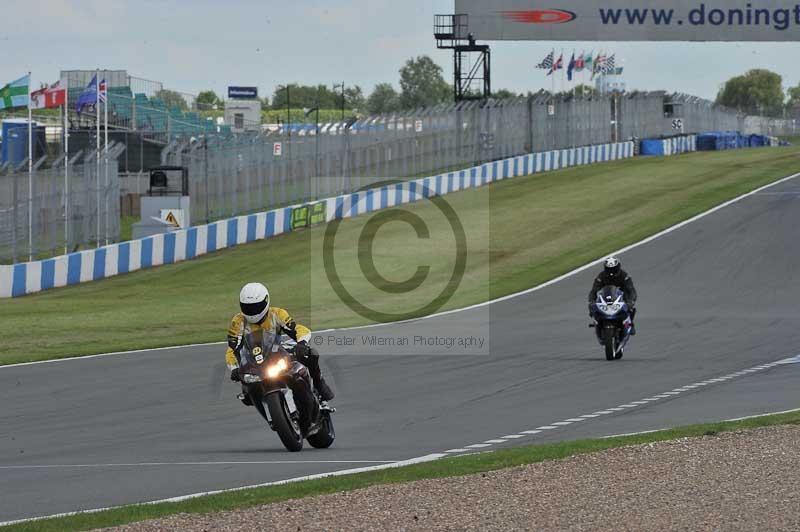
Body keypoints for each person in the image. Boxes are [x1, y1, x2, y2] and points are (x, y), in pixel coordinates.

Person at [226, 282, 335, 405]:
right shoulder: (238, 321)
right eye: (248, 307)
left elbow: (297, 329)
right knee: (247, 397)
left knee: (310, 354)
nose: (252, 311)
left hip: (277, 351)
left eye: (256, 306)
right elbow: (232, 348)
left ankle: (319, 382)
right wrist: (235, 368)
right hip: (254, 359)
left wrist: (302, 343)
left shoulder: (277, 314)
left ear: (266, 301)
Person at [588, 257, 638, 335]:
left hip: (622, 298)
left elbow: (631, 290)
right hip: (606, 298)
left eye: (613, 269)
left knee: (631, 308)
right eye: (609, 269)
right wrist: (591, 301)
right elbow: (594, 290)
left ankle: (630, 324)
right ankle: (598, 323)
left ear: (618, 267)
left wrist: (631, 301)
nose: (611, 272)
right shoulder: (601, 276)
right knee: (592, 308)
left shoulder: (624, 276)